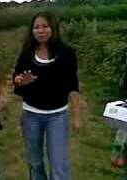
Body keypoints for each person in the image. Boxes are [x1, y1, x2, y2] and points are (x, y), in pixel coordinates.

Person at [12, 11, 80, 180]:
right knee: (35, 162)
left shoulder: (66, 53)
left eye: (45, 26)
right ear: (32, 31)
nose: (40, 31)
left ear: (53, 28)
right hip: (31, 115)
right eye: (36, 27)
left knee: (59, 163)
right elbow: (17, 78)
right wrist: (20, 80)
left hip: (57, 115)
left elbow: (73, 86)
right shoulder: (27, 53)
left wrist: (77, 117)